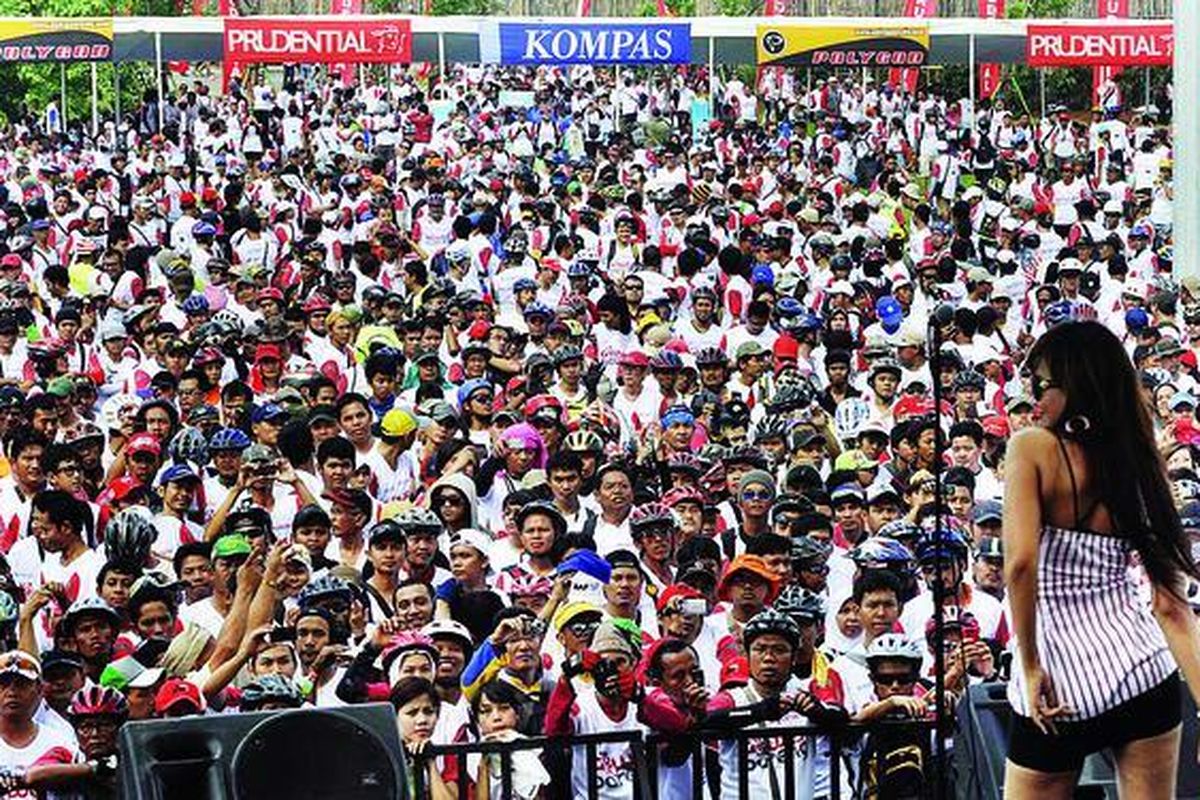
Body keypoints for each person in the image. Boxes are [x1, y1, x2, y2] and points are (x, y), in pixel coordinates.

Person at [1005, 320, 1200, 799]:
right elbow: (1172, 606)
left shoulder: (1031, 447)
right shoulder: (1138, 459)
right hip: (1142, 675)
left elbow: (1020, 566)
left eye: (1043, 384)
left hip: (1058, 688)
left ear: (1077, 384)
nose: (1034, 398)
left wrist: (1030, 664)